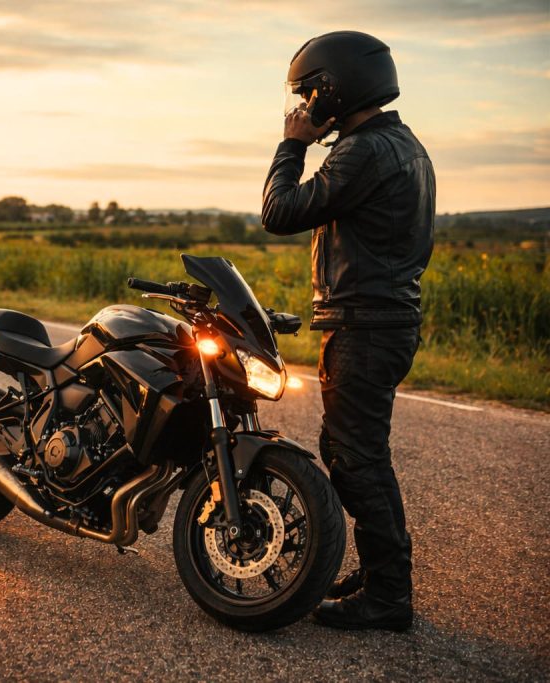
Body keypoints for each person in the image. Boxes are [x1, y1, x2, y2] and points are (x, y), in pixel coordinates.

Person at [261, 30, 435, 631]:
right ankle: (381, 575)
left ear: (334, 88)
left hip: (365, 325)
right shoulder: (404, 145)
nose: (304, 105)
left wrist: (292, 145)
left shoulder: (363, 151)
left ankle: (388, 595)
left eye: (308, 92)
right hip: (384, 320)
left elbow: (280, 212)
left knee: (358, 459)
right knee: (351, 452)